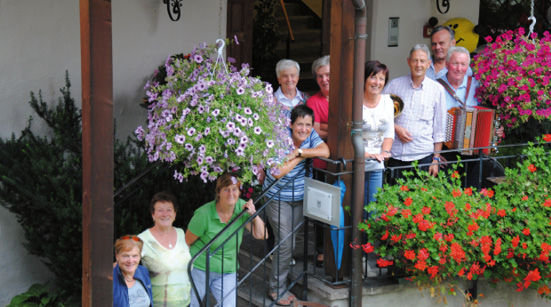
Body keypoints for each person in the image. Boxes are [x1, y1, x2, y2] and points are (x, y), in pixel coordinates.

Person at [263, 104, 330, 306]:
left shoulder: (309, 137)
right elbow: (276, 171)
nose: (304, 129)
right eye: (299, 124)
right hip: (277, 197)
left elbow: (325, 151)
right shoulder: (278, 139)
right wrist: (298, 158)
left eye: (308, 125)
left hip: (300, 196)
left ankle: (282, 281)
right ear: (291, 125)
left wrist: (299, 152)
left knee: (290, 242)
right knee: (285, 243)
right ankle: (276, 289)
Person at [186, 173, 267, 307]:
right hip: (200, 268)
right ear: (218, 193)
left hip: (227, 270)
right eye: (226, 189)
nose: (231, 193)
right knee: (192, 304)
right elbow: (187, 242)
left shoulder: (241, 208)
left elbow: (261, 235)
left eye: (234, 189)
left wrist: (254, 215)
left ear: (239, 192)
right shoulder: (204, 214)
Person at [437, 46, 503, 187]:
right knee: (447, 191)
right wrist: (434, 153)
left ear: (468, 67)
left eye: (463, 64)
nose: (459, 68)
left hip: (473, 150)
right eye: (455, 63)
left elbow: (489, 114)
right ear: (447, 64)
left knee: (472, 190)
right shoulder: (436, 87)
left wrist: (495, 129)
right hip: (445, 150)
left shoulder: (477, 86)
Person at [383, 44, 447, 180]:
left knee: (419, 199)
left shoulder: (437, 90)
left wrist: (435, 160)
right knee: (393, 198)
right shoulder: (394, 85)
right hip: (396, 155)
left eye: (422, 61)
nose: (418, 64)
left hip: (423, 156)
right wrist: (396, 128)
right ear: (408, 62)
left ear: (429, 64)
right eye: (415, 60)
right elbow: (379, 114)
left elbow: (439, 128)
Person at [138, 192, 191, 306]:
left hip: (186, 303)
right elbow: (123, 263)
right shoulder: (143, 239)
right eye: (160, 210)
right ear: (153, 214)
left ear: (175, 214)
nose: (165, 214)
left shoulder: (181, 233)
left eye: (169, 210)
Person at [362, 60, 394, 215]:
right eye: (373, 77)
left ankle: (369, 241)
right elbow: (349, 136)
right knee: (356, 211)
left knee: (373, 211)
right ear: (364, 79)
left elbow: (389, 133)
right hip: (356, 164)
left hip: (376, 165)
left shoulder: (388, 101)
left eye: (381, 79)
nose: (377, 82)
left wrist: (385, 152)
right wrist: (367, 155)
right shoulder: (354, 102)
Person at [113, 235, 153, 307]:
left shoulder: (143, 272)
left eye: (135, 256)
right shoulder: (109, 279)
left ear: (140, 256)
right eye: (125, 256)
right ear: (117, 256)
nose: (130, 261)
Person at [306, 55, 330, 140]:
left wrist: (324, 126)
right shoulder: (313, 102)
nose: (324, 79)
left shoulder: (345, 98)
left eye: (328, 75)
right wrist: (336, 131)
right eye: (320, 76)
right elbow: (315, 132)